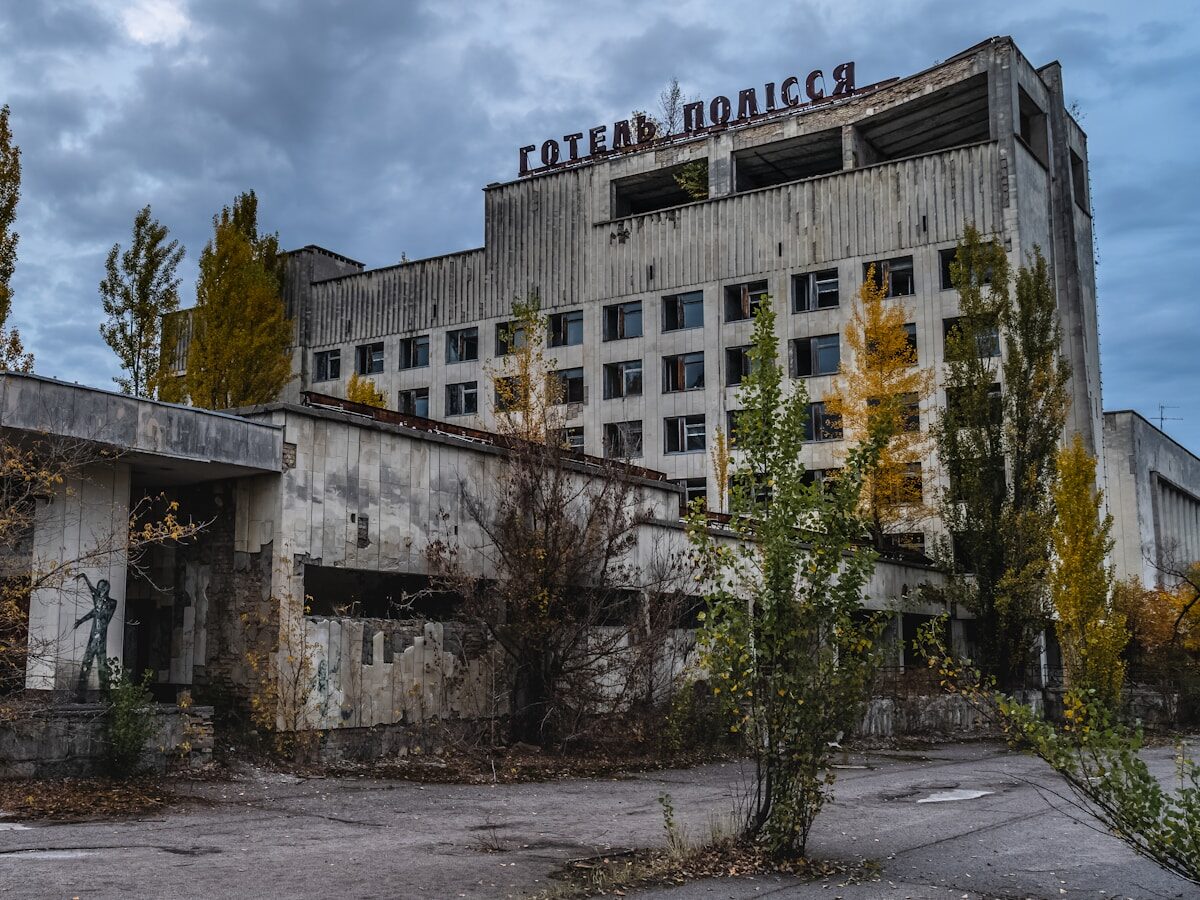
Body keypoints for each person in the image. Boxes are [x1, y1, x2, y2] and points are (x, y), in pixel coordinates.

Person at [72, 572, 118, 699]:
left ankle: (105, 695)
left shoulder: (112, 603)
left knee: (102, 667)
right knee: (86, 666)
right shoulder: (98, 602)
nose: (98, 591)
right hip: (94, 637)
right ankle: (81, 695)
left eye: (101, 588)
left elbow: (100, 613)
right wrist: (80, 621)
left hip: (100, 638)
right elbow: (95, 612)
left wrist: (85, 577)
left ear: (105, 589)